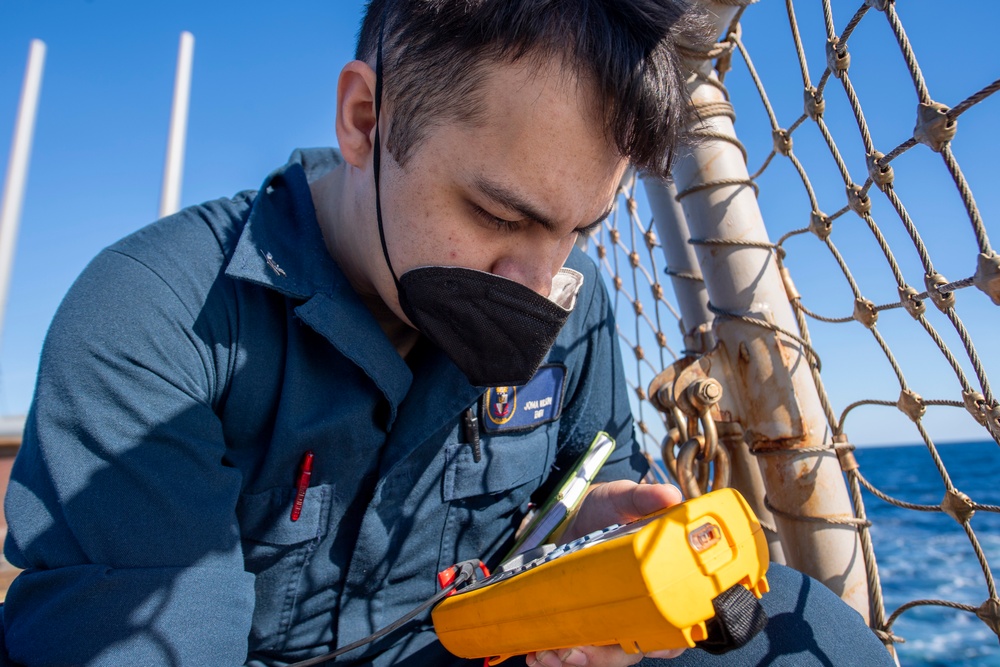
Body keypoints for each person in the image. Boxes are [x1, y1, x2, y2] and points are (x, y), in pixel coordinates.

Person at [0, 1, 895, 666]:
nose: (540, 284)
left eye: (577, 229)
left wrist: (599, 514)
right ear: (365, 120)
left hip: (490, 643)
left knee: (798, 636)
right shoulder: (155, 319)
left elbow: (595, 462)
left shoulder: (574, 306)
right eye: (498, 213)